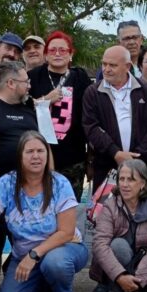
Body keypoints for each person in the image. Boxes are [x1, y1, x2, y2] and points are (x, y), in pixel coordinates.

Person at [0, 131, 87, 292]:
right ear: (20, 156)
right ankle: (42, 289)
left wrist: (34, 255)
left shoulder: (60, 183)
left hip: (62, 249)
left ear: (47, 154)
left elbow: (66, 232)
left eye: (40, 151)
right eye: (29, 151)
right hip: (24, 255)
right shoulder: (7, 182)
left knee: (55, 263)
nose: (35, 156)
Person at [0, 61, 39, 292]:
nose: (29, 85)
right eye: (26, 81)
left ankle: (27, 291)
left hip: (28, 191)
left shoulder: (29, 108)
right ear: (11, 83)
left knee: (27, 241)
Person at [91, 159, 147, 292]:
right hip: (115, 268)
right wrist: (120, 277)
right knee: (118, 245)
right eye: (122, 179)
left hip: (141, 269)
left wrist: (139, 280)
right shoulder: (110, 206)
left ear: (143, 184)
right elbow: (100, 244)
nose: (124, 184)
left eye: (131, 179)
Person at [82, 46, 147, 190]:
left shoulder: (146, 89)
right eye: (104, 64)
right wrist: (115, 153)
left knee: (142, 210)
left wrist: (138, 156)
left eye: (112, 65)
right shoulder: (92, 93)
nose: (106, 69)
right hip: (106, 167)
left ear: (127, 67)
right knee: (106, 211)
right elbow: (91, 127)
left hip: (141, 165)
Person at [28, 31, 92, 198]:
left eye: (63, 50)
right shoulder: (33, 77)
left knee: (68, 205)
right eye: (52, 50)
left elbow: (91, 112)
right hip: (38, 156)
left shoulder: (80, 77)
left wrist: (90, 158)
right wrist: (45, 100)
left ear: (70, 54)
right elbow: (21, 106)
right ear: (46, 55)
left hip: (73, 157)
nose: (57, 54)